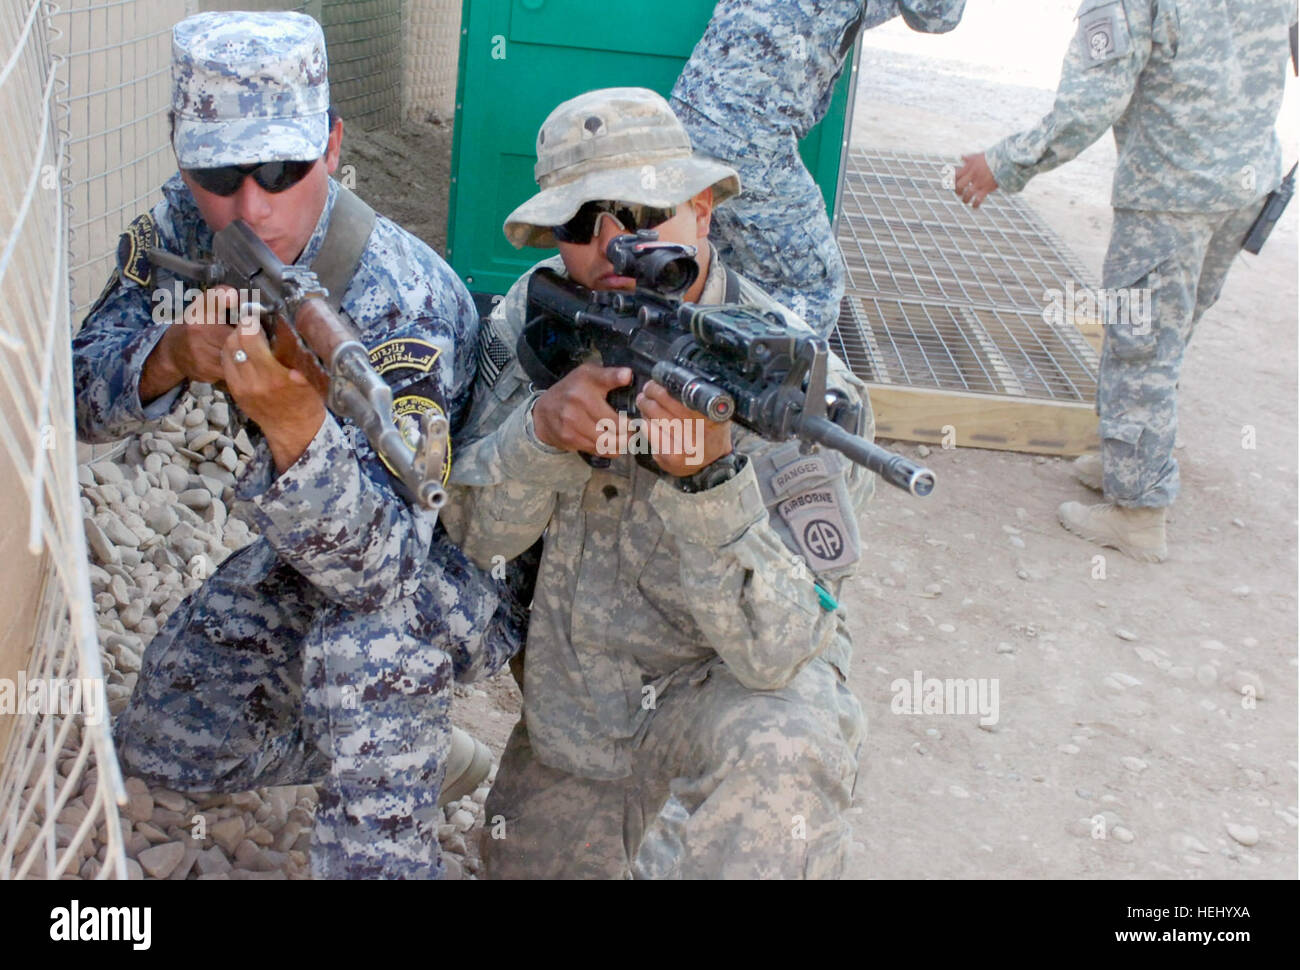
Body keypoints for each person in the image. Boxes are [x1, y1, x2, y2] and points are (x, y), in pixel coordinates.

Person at [72, 11, 509, 879]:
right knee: (166, 743)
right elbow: (76, 392)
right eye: (216, 172)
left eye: (282, 168)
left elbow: (386, 569)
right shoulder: (183, 229)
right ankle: (386, 746)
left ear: (334, 145)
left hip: (448, 568)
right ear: (179, 152)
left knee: (365, 657)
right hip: (316, 543)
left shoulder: (400, 301)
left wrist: (294, 422)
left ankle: (391, 797)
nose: (251, 205)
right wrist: (168, 357)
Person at [441, 87, 874, 879]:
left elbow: (781, 648)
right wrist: (538, 435)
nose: (613, 251)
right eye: (582, 224)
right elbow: (470, 535)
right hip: (579, 718)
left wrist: (707, 479)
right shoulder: (538, 320)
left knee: (787, 753)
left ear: (702, 211)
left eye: (644, 216)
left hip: (725, 694)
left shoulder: (800, 387)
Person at [954, 1, 1293, 562]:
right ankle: (1130, 461)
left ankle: (1137, 512)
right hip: (1245, 185)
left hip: (1170, 195)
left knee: (1143, 350)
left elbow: (1091, 103)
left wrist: (1006, 163)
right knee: (1170, 334)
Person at [670, 0, 967, 337]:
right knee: (813, 286)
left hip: (689, 114)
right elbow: (935, 15)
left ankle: (694, 372)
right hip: (747, 135)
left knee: (727, 277)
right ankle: (767, 384)